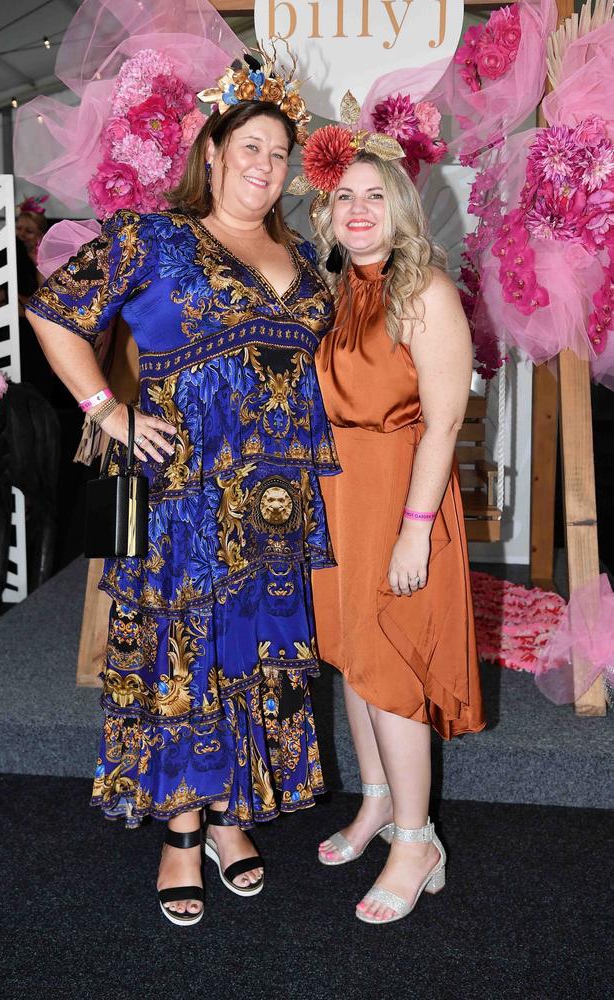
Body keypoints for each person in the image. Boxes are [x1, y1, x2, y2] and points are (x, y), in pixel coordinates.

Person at [25, 60, 338, 927]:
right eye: (251, 147)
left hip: (274, 502)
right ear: (213, 149)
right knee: (181, 653)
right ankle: (181, 833)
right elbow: (54, 310)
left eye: (280, 152)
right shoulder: (155, 236)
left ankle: (235, 817)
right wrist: (106, 411)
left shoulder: (305, 257)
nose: (266, 165)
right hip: (181, 495)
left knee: (252, 649)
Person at [309, 147, 485, 924]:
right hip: (340, 493)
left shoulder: (426, 291)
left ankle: (418, 840)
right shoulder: (337, 289)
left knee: (394, 666)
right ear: (325, 212)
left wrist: (415, 532)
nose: (357, 209)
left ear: (402, 208)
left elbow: (445, 421)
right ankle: (378, 802)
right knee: (354, 655)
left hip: (399, 496)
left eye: (375, 196)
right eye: (344, 196)